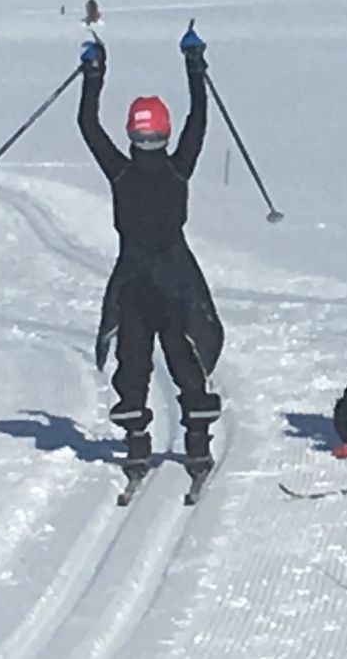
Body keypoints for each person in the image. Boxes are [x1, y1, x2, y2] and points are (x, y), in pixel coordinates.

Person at [77, 25, 224, 479]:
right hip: (178, 282)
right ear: (165, 130)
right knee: (186, 361)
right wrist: (194, 65)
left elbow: (87, 125)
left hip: (133, 284)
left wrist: (94, 72)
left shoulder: (120, 173)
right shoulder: (179, 170)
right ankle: (197, 450)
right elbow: (200, 119)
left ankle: (137, 450)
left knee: (134, 366)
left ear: (131, 133)